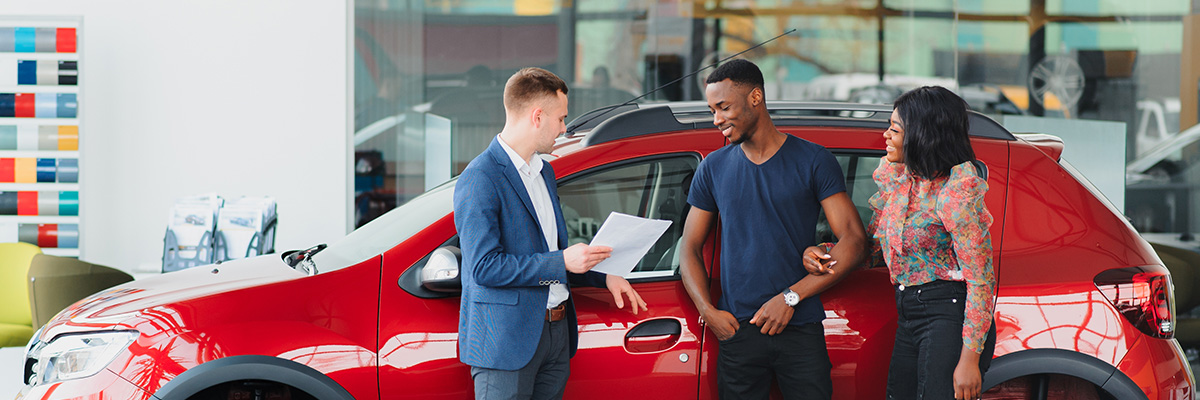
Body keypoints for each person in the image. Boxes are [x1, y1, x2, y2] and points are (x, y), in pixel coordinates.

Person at [453, 67, 648, 400]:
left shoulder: (544, 172)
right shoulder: (480, 178)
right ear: (537, 116)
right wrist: (562, 262)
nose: (564, 128)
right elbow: (485, 268)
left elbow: (552, 254)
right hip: (506, 343)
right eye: (561, 119)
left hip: (556, 336)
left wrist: (603, 276)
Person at [678, 58, 868, 400]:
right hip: (738, 331)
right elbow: (689, 247)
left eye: (723, 107)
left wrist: (790, 297)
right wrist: (708, 312)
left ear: (755, 98)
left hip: (800, 326)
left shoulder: (813, 159)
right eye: (712, 110)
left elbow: (854, 241)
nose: (716, 119)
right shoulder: (713, 168)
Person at [805, 86, 997, 400]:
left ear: (922, 134)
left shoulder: (955, 192)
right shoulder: (901, 181)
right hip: (910, 314)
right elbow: (880, 251)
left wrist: (969, 360)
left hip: (947, 315)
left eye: (894, 129)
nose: (885, 135)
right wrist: (827, 254)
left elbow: (981, 281)